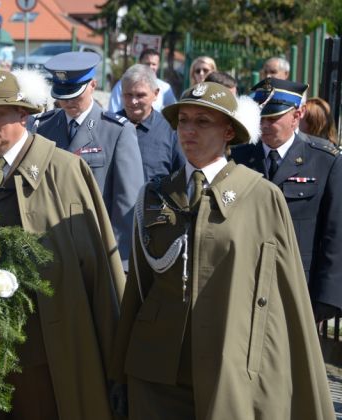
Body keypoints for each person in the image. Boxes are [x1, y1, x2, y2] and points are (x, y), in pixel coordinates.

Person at [110, 81, 335, 419]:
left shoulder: (259, 195)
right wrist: (119, 372)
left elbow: (282, 295)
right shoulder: (155, 195)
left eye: (203, 122)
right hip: (157, 366)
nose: (189, 130)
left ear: (229, 131)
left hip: (227, 361)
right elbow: (139, 291)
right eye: (183, 120)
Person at [0, 68, 125, 420]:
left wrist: (114, 358)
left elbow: (99, 268)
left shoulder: (64, 170)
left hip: (47, 348)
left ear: (24, 115)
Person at [231, 78, 342, 322]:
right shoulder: (237, 157)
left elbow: (335, 233)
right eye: (261, 117)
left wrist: (328, 297)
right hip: (243, 282)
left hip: (299, 285)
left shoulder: (325, 160)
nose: (265, 124)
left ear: (298, 114)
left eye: (273, 118)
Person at [34, 51, 144, 270]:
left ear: (93, 85)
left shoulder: (117, 131)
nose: (68, 102)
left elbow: (127, 203)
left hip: (95, 250)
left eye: (75, 94)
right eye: (63, 95)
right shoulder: (42, 127)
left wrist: (120, 261)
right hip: (48, 249)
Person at [117, 64, 185, 182]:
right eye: (128, 95)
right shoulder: (108, 125)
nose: (133, 102)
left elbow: (181, 177)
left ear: (156, 94)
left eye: (140, 95)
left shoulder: (171, 131)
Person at [108, 48, 177, 113]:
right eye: (147, 63)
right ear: (139, 63)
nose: (150, 67)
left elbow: (174, 110)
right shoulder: (123, 84)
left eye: (154, 64)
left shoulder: (165, 87)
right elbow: (113, 110)